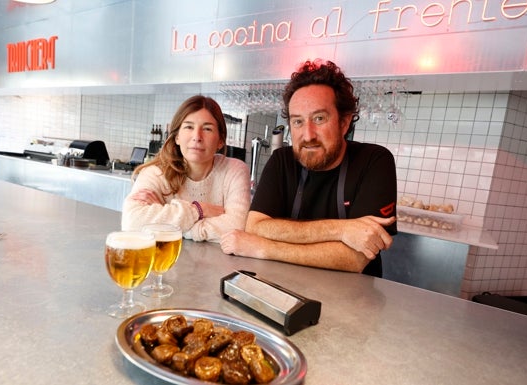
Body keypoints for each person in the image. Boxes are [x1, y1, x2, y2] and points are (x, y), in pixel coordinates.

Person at [220, 59, 397, 276]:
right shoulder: (281, 161)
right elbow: (256, 226)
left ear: (344, 122)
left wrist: (262, 248)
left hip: (354, 302)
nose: (308, 135)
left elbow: (354, 258)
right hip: (284, 290)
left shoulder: (374, 161)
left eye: (319, 118)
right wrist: (341, 230)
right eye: (298, 122)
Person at [121, 95, 251, 242]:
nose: (197, 136)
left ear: (220, 140)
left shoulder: (235, 170)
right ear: (177, 137)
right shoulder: (156, 173)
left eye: (207, 129)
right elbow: (132, 223)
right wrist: (198, 210)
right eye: (189, 127)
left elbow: (237, 226)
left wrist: (179, 228)